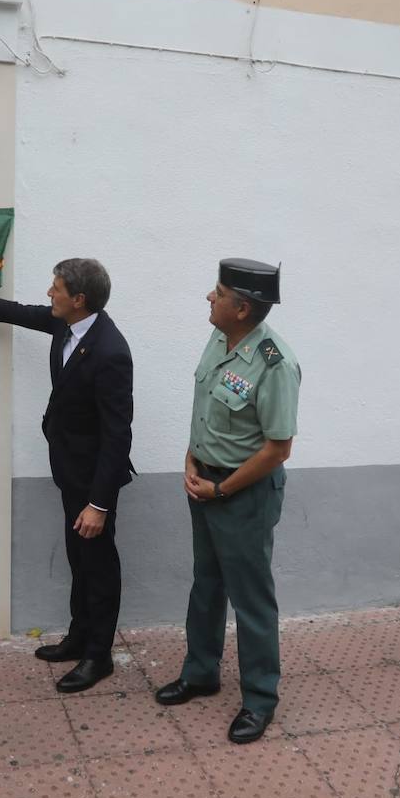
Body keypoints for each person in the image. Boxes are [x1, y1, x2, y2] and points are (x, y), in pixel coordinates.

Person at [0, 259, 133, 693]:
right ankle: (78, 636)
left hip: (94, 480)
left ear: (79, 299)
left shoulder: (110, 351)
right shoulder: (65, 324)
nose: (48, 294)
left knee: (99, 563)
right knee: (78, 557)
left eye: (56, 288)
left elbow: (117, 435)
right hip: (69, 468)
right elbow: (13, 311)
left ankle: (98, 654)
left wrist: (99, 504)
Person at [156, 258, 300, 745]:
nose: (208, 298)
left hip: (244, 494)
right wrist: (192, 460)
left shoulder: (275, 362)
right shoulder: (220, 337)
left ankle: (260, 699)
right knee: (207, 583)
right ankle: (201, 672)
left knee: (252, 599)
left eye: (216, 293)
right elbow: (206, 409)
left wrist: (221, 488)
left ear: (241, 308)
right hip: (206, 484)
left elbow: (278, 449)